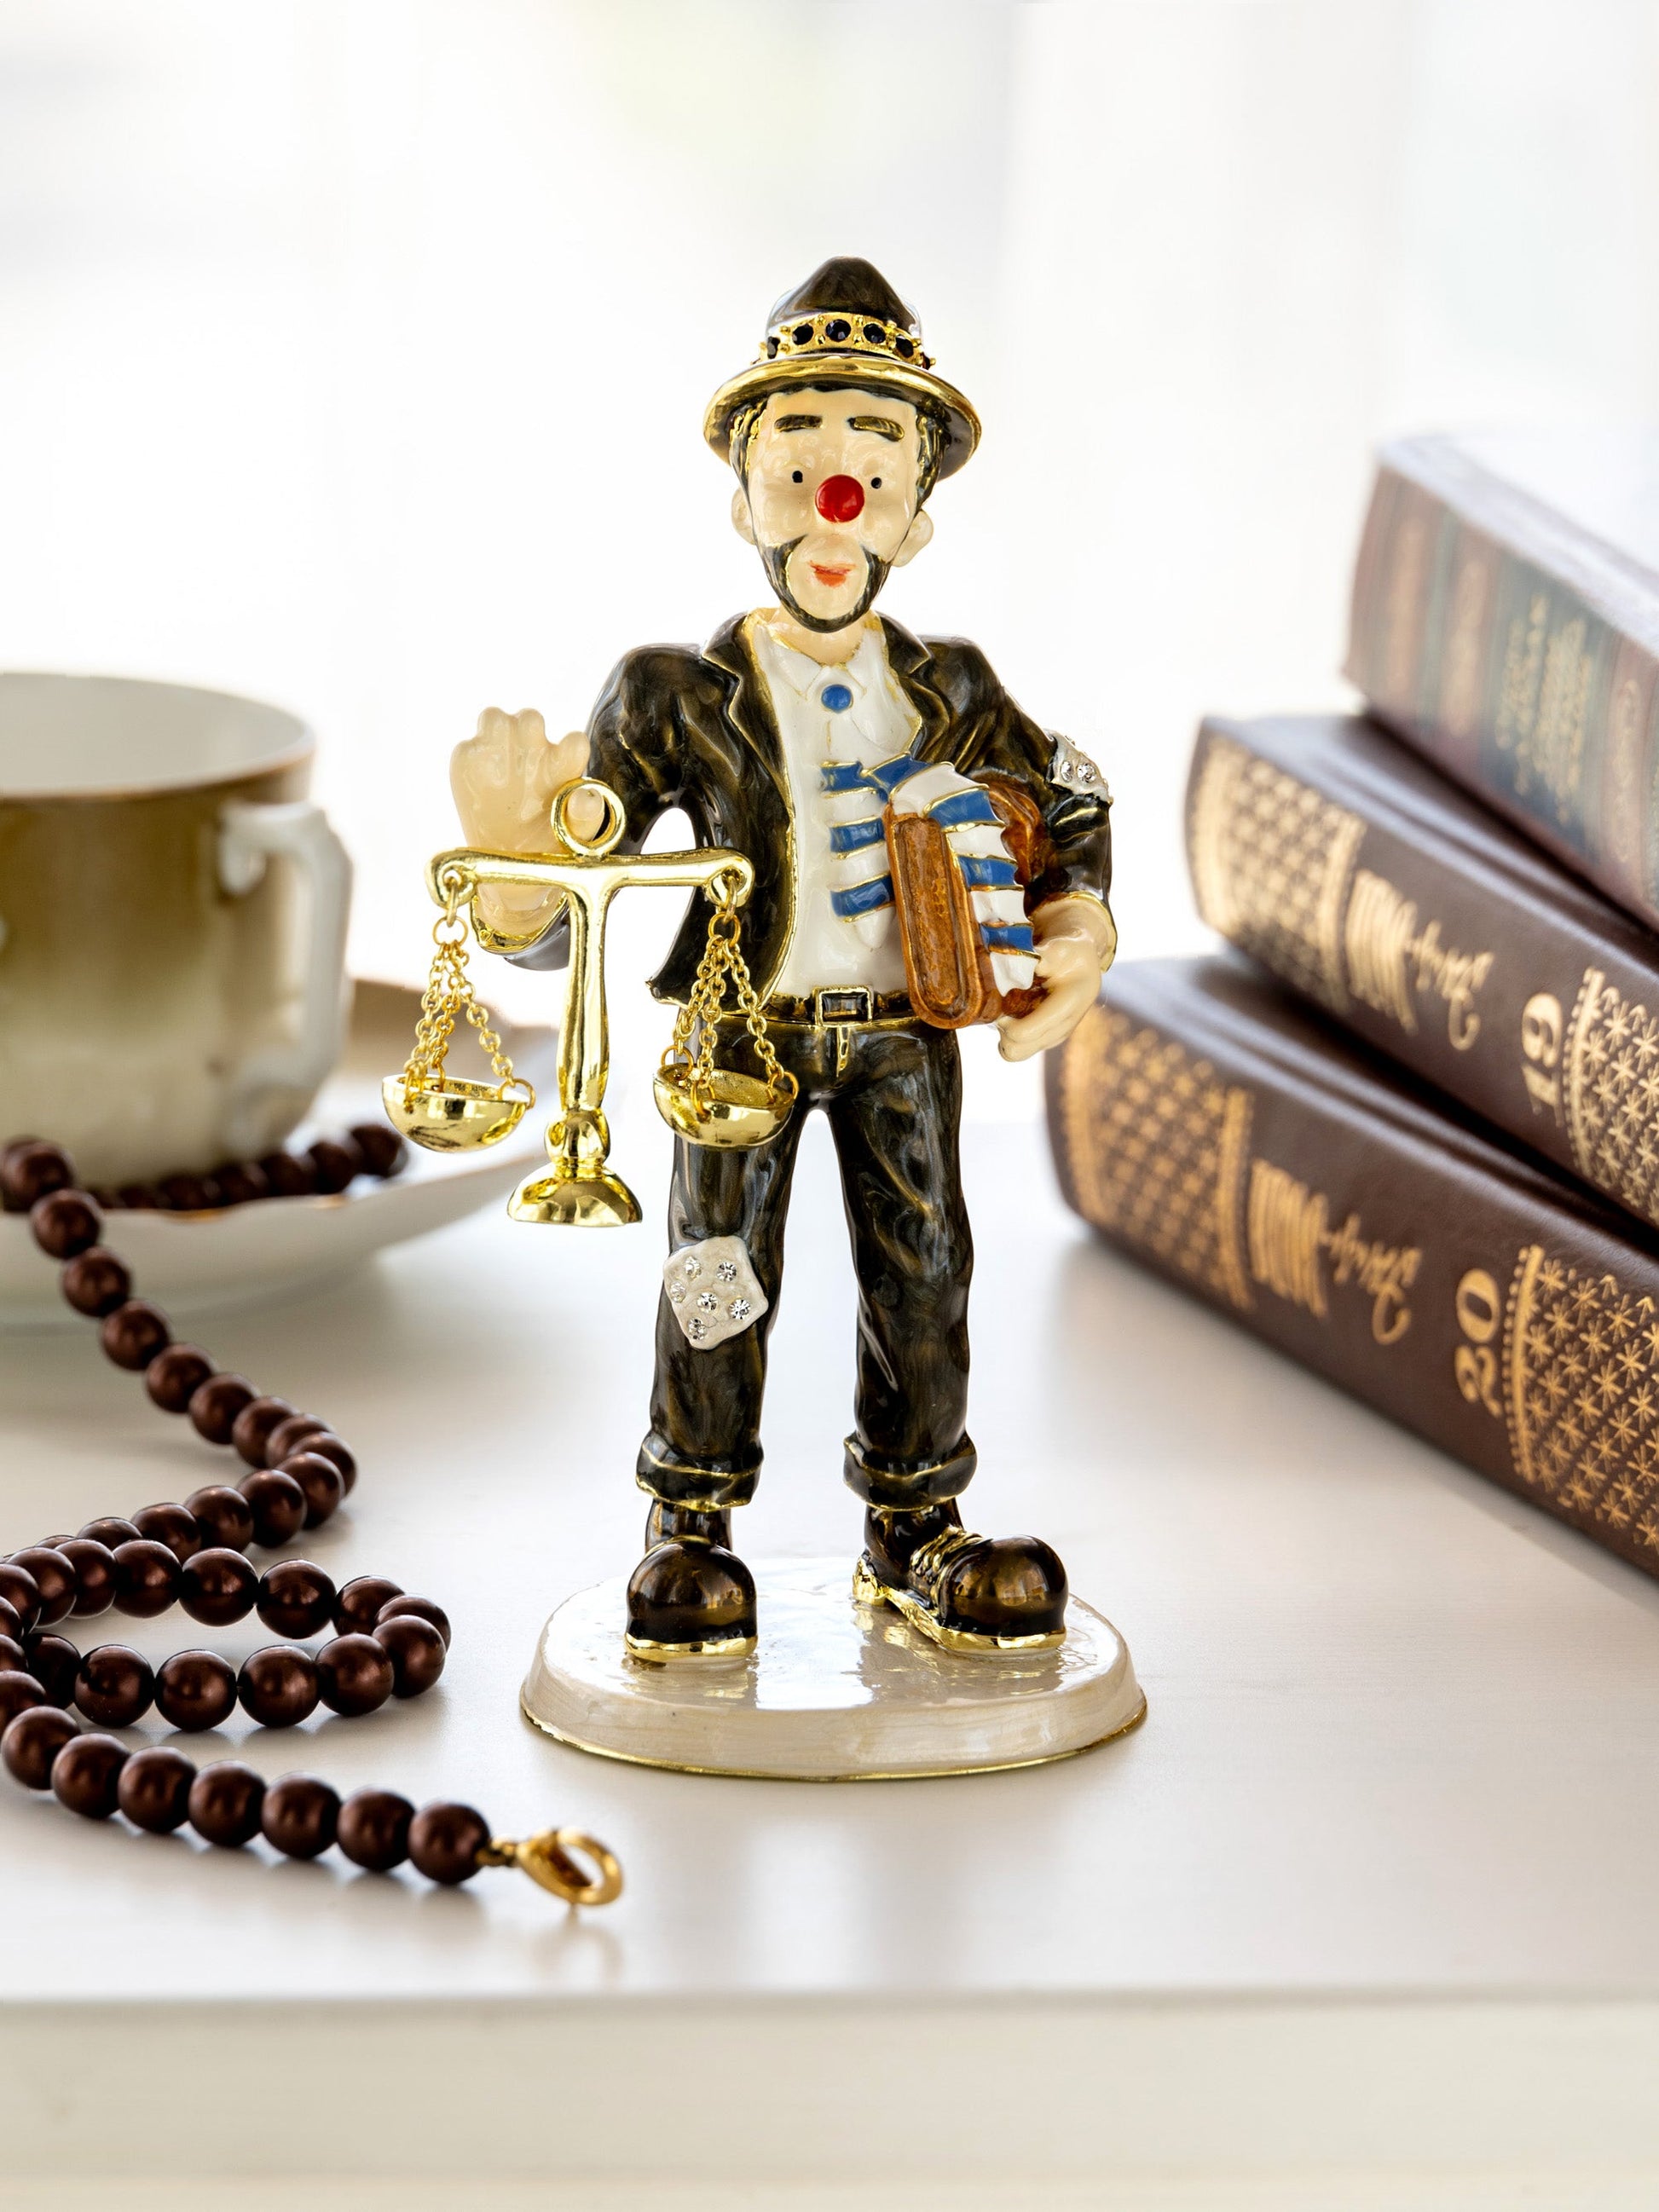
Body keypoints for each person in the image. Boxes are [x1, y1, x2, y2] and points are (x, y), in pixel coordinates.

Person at [451, 258, 1115, 1657]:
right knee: (718, 1270)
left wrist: (1078, 923)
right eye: (798, 459)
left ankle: (915, 1527)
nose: (835, 497)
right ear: (743, 495)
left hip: (899, 1033)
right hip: (739, 1035)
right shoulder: (670, 693)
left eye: (873, 468)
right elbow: (585, 871)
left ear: (916, 518)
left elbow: (1070, 805)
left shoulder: (957, 691)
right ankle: (690, 1520)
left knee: (924, 1269)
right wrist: (513, 865)